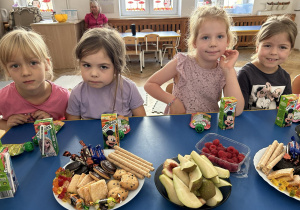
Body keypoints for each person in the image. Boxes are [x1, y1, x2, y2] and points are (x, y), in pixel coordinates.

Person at [144, 6, 244, 116]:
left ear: (227, 40)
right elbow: (150, 84)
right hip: (180, 122)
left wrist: (229, 70)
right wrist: (172, 101)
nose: (213, 44)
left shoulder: (225, 71)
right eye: (205, 37)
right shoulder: (181, 63)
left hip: (208, 124)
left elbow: (236, 111)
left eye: (220, 36)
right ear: (194, 42)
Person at [66, 27, 146, 120]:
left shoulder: (129, 88)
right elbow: (73, 125)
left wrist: (127, 123)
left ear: (116, 67)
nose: (94, 74)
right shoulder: (77, 93)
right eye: (87, 65)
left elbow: (141, 120)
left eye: (103, 67)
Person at [0, 28, 70, 131]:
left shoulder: (63, 97)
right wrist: (7, 125)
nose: (25, 73)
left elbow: (72, 125)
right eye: (15, 66)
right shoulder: (3, 97)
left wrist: (52, 123)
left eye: (33, 63)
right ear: (7, 71)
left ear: (46, 64)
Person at [237, 15, 297, 110]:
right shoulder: (245, 74)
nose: (273, 52)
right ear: (257, 46)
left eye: (282, 47)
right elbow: (240, 109)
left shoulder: (285, 77)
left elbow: (285, 108)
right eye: (268, 45)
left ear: (290, 51)